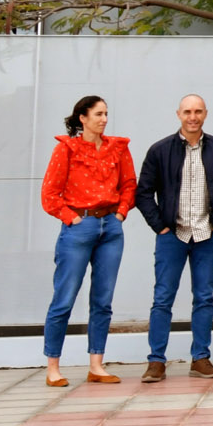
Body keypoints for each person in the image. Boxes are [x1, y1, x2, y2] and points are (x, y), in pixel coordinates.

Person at [136, 95, 213, 383]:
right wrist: (160, 226)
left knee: (204, 297)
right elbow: (143, 192)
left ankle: (200, 358)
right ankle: (156, 361)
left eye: (198, 111)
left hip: (207, 234)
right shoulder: (160, 149)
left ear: (206, 114)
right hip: (173, 235)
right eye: (187, 111)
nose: (193, 116)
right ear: (178, 114)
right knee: (162, 298)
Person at [40, 95, 136, 386]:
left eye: (106, 113)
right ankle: (53, 368)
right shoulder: (66, 149)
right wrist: (72, 219)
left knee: (103, 300)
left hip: (111, 227)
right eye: (98, 114)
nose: (104, 119)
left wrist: (120, 213)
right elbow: (49, 194)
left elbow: (129, 183)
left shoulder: (117, 148)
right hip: (80, 227)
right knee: (64, 298)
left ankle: (96, 364)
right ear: (82, 118)